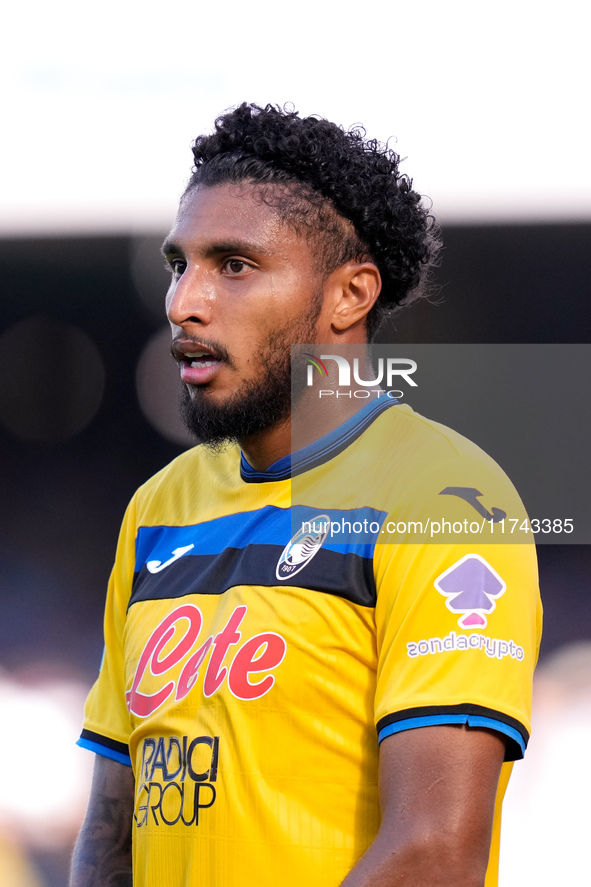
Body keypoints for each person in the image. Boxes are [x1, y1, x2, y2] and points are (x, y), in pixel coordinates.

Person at [71, 103, 541, 887]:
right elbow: (110, 833)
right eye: (177, 264)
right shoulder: (156, 509)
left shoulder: (444, 497)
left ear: (350, 295)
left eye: (233, 265)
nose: (183, 301)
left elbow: (436, 854)